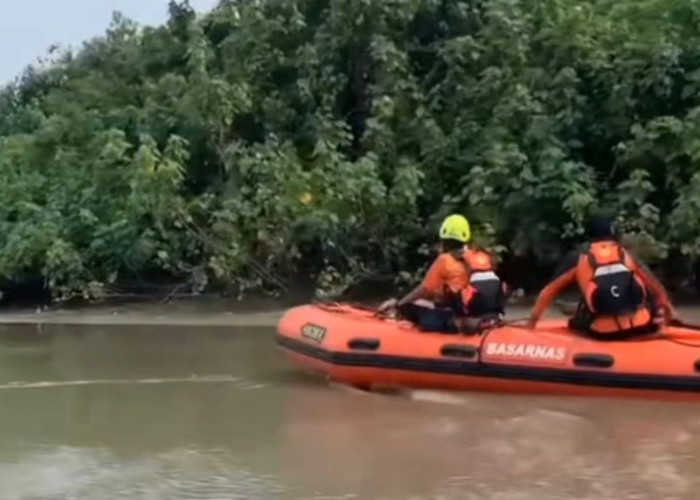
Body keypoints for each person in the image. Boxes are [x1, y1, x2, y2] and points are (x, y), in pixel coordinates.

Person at [526, 215, 678, 338]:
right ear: (613, 234)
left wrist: (531, 323)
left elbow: (549, 292)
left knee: (575, 322)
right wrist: (670, 313)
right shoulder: (625, 253)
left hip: (603, 332)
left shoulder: (578, 256)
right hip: (640, 326)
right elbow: (655, 287)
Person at [378, 214, 505, 334]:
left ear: (444, 240)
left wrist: (399, 304)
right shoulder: (482, 256)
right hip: (489, 314)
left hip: (462, 314)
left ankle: (455, 323)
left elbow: (424, 289)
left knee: (413, 306)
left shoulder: (444, 260)